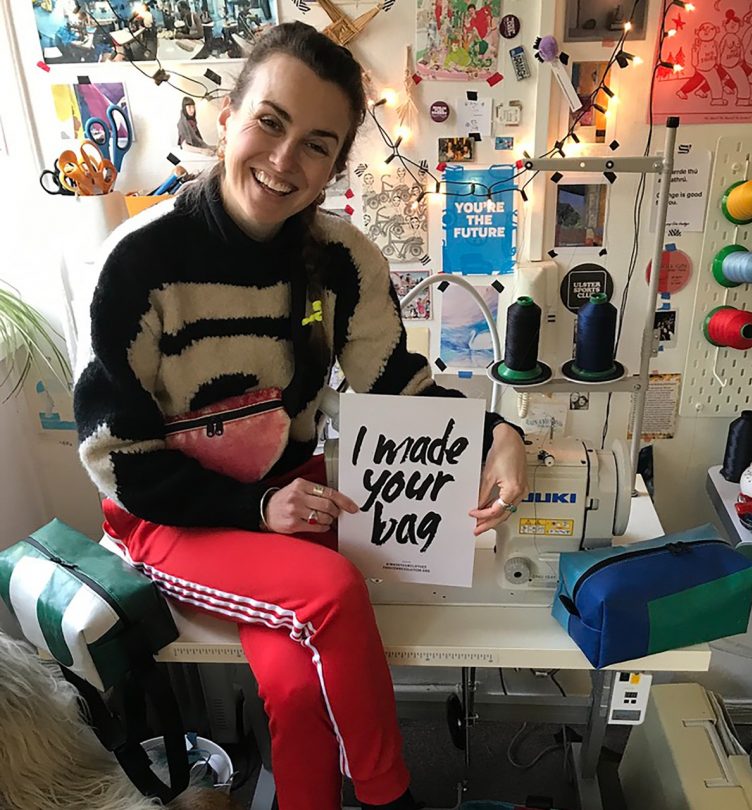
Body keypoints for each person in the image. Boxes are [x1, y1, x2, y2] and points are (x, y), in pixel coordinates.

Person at [73, 22, 527, 810]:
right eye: (270, 123)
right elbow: (121, 459)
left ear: (336, 163)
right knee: (332, 591)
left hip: (286, 503)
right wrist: (254, 505)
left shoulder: (345, 260)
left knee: (293, 686)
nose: (285, 162)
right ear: (227, 117)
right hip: (167, 516)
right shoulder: (139, 263)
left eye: (317, 144)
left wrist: (500, 433)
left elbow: (394, 382)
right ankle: (389, 797)